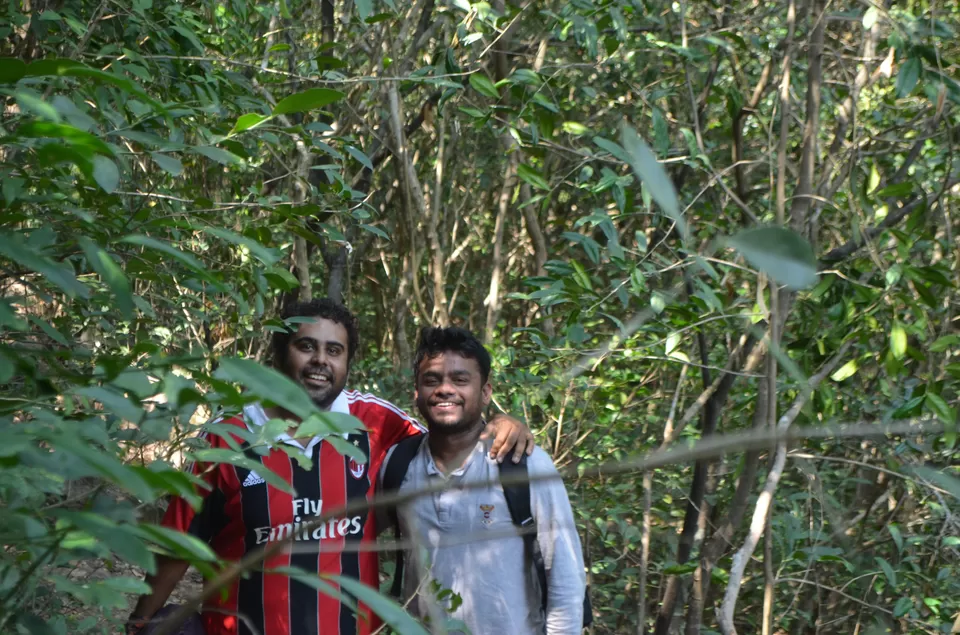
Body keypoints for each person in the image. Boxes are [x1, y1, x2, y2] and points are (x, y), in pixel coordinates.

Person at [127, 299, 534, 635]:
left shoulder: (377, 423)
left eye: (334, 350)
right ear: (279, 353)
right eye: (306, 346)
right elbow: (179, 546)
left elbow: (449, 437)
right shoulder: (227, 438)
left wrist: (502, 423)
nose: (320, 360)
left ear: (347, 362)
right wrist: (139, 622)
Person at [380, 326, 586, 635]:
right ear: (417, 393)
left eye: (460, 380)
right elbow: (355, 535)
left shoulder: (524, 465)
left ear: (485, 392)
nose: (444, 389)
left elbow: (565, 576)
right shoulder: (399, 464)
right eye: (432, 380)